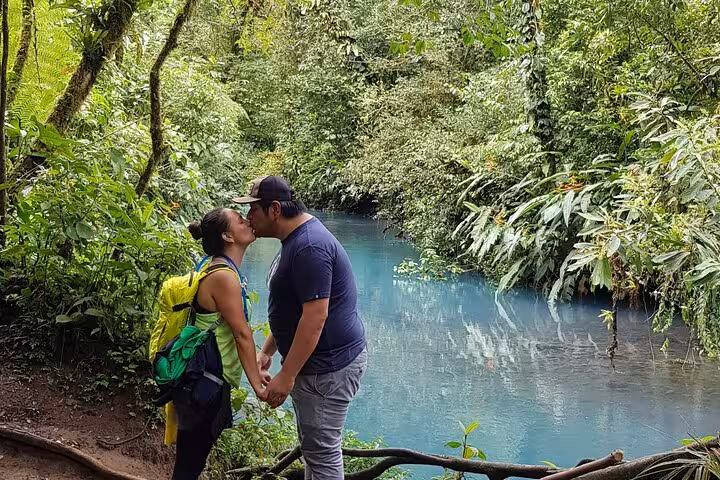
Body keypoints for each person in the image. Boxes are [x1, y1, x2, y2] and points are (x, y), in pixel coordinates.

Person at [234, 176, 368, 480]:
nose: (248, 217)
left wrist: (287, 375)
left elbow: (314, 318)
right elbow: (294, 309)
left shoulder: (309, 247)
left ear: (275, 209)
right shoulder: (296, 239)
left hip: (327, 369)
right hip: (320, 365)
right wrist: (268, 351)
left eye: (253, 209)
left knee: (322, 456)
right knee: (315, 451)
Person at [174, 207, 267, 480]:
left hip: (200, 380)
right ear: (228, 235)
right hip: (205, 384)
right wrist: (259, 387)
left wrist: (256, 364)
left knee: (190, 466)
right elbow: (241, 334)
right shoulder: (224, 276)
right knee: (188, 470)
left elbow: (231, 331)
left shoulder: (214, 265)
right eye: (240, 219)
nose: (247, 220)